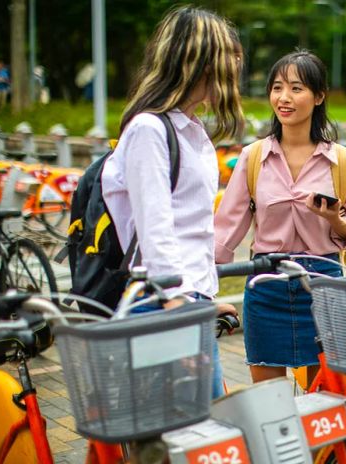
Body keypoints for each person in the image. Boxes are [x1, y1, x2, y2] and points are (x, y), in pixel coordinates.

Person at [100, 6, 243, 398]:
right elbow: (156, 229)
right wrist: (177, 303)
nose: (235, 70)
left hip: (186, 301)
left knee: (196, 436)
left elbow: (191, 229)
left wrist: (202, 299)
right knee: (192, 439)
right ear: (199, 62)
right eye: (228, 58)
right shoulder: (149, 129)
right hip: (161, 304)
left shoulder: (193, 131)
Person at [214, 50, 346, 384]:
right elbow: (224, 232)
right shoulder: (253, 157)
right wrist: (203, 288)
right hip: (266, 286)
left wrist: (335, 221)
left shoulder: (341, 161)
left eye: (296, 88)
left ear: (319, 96)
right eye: (277, 87)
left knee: (326, 403)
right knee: (270, 404)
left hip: (325, 287)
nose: (284, 98)